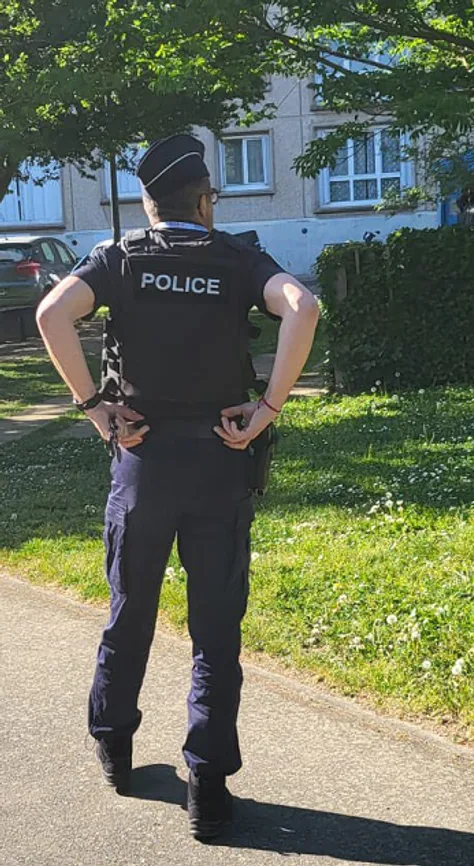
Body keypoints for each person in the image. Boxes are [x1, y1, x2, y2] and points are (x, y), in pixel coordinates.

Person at [34, 134, 320, 840]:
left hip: (143, 464)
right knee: (215, 630)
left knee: (129, 610)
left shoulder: (121, 260)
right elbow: (302, 308)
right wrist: (269, 410)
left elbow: (50, 316)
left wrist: (93, 408)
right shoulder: (238, 259)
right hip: (221, 465)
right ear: (206, 201)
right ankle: (209, 785)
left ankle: (115, 746)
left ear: (146, 203)